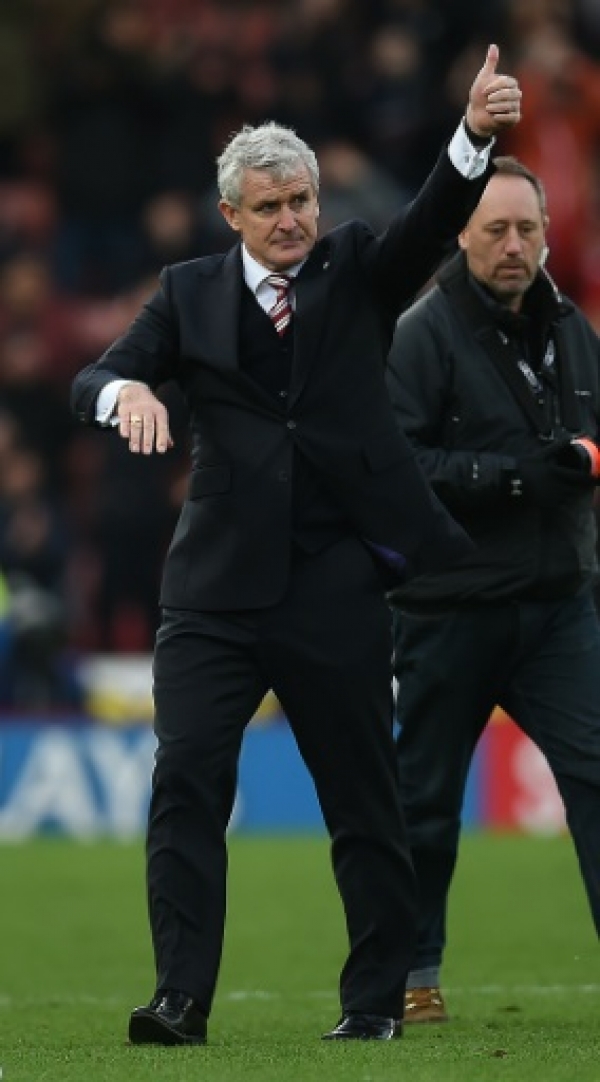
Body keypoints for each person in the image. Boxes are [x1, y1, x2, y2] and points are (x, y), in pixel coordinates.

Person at [71, 45, 521, 1046]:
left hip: (333, 585)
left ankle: (371, 1003)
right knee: (186, 780)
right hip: (214, 595)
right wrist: (126, 390)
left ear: (320, 200)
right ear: (230, 213)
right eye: (269, 205)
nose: (290, 219)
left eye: (302, 200)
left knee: (364, 799)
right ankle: (179, 998)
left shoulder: (359, 267)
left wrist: (475, 137)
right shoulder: (186, 292)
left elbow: (431, 221)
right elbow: (93, 373)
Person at [386, 155, 600, 1025]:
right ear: (462, 236)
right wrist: (513, 479)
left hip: (559, 604)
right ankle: (412, 974)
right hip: (449, 608)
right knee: (425, 804)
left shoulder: (574, 330)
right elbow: (395, 465)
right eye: (495, 230)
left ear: (549, 234)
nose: (514, 247)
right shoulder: (420, 333)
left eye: (527, 230)